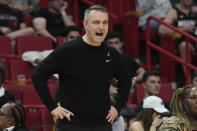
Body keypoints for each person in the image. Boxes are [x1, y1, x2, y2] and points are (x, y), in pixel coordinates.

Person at [32, 5, 130, 131]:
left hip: (102, 124)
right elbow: (38, 75)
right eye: (96, 22)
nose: (101, 27)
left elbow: (126, 81)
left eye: (104, 22)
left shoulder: (112, 53)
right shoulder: (67, 50)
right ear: (85, 24)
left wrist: (117, 107)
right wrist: (52, 107)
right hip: (71, 125)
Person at [159, 0, 197, 78]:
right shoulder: (174, 12)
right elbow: (161, 30)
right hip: (181, 42)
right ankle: (189, 79)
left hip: (194, 40)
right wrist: (183, 29)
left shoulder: (194, 10)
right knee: (184, 46)